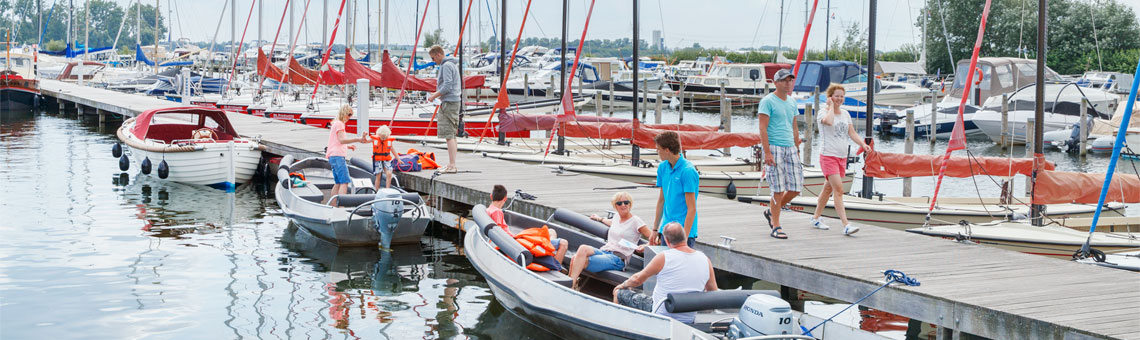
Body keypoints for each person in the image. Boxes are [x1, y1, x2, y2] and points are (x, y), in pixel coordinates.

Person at [612, 222, 717, 324]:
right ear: (685, 237)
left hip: (661, 315)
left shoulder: (664, 257)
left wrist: (622, 285)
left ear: (666, 240)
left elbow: (637, 279)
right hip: (688, 319)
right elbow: (713, 291)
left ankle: (615, 327)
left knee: (618, 292)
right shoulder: (705, 259)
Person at [811, 84, 870, 236]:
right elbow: (829, 122)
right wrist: (830, 107)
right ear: (830, 97)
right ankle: (846, 224)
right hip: (828, 155)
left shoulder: (845, 114)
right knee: (839, 189)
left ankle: (816, 218)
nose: (839, 99)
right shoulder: (822, 113)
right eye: (836, 96)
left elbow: (852, 132)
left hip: (841, 157)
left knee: (828, 189)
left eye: (842, 96)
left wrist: (863, 144)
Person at [567, 192, 653, 291]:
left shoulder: (636, 221)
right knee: (583, 248)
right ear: (615, 206)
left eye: (626, 202)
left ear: (630, 204)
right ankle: (571, 285)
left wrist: (645, 246)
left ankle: (570, 287)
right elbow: (611, 223)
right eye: (619, 203)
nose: (623, 205)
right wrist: (599, 218)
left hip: (618, 259)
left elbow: (654, 238)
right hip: (605, 251)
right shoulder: (616, 217)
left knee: (576, 259)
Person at [757, 69, 802, 239]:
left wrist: (797, 146)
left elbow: (794, 126)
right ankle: (776, 225)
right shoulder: (767, 101)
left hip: (790, 147)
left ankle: (771, 211)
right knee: (777, 189)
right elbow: (762, 128)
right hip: (774, 147)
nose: (788, 83)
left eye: (790, 80)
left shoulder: (792, 102)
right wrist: (767, 151)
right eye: (784, 80)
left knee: (796, 187)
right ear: (776, 83)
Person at [485, 185, 568, 264]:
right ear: (505, 198)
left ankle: (551, 252)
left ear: (491, 196)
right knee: (563, 243)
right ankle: (556, 265)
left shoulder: (488, 210)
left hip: (516, 239)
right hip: (516, 242)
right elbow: (501, 232)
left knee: (551, 231)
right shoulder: (497, 212)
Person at [651, 131, 699, 248]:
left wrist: (684, 239)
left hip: (682, 232)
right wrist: (655, 229)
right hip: (666, 229)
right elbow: (661, 200)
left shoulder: (688, 171)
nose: (657, 152)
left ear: (667, 150)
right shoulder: (662, 167)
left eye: (658, 149)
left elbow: (691, 209)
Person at [425, 45, 461, 173]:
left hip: (449, 103)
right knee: (451, 133)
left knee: (448, 134)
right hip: (453, 101)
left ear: (439, 54)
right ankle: (452, 164)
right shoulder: (451, 65)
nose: (434, 61)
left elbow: (447, 85)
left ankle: (452, 165)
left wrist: (433, 96)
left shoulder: (446, 66)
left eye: (433, 58)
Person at [325, 105, 369, 206]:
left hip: (333, 156)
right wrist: (357, 139)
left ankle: (333, 205)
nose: (349, 117)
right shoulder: (340, 124)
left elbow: (336, 141)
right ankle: (341, 206)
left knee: (338, 183)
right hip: (338, 157)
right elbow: (341, 140)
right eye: (349, 115)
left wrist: (348, 146)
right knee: (344, 181)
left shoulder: (335, 123)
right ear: (344, 113)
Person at [369, 125, 395, 190]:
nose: (383, 138)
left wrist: (398, 159)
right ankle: (376, 191)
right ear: (379, 134)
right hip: (378, 160)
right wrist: (363, 136)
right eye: (382, 137)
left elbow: (393, 150)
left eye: (385, 137)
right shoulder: (374, 139)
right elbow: (365, 141)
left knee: (389, 174)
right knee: (378, 176)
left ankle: (387, 190)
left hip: (386, 159)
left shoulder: (389, 141)